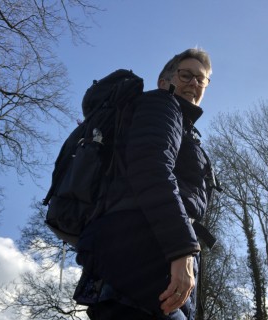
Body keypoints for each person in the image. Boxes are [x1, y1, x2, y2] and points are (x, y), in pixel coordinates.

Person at [74, 48, 214, 319]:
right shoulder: (162, 104)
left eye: (202, 80)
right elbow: (151, 168)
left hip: (139, 261)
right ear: (164, 81)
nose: (195, 83)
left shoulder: (180, 125)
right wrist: (182, 249)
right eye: (187, 75)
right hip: (142, 259)